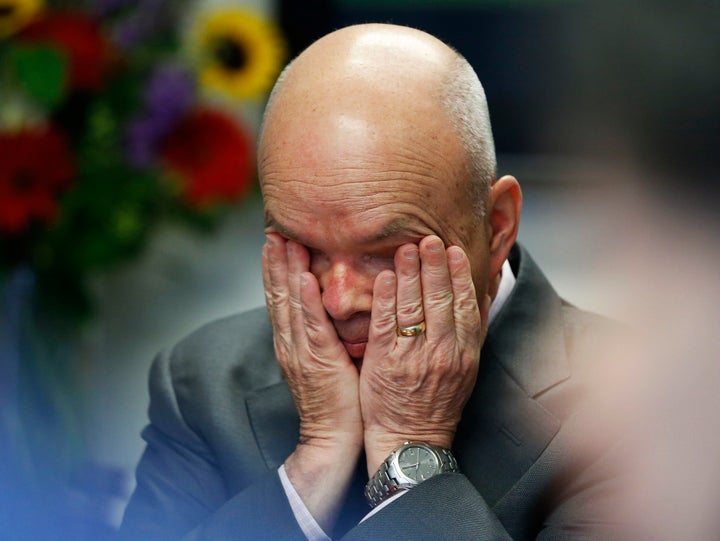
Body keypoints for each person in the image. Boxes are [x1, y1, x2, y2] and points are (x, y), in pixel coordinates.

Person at [118, 23, 616, 540]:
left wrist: (410, 446)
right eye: (304, 250)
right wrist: (315, 458)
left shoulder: (641, 409)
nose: (338, 300)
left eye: (383, 255)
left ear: (495, 229)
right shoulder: (204, 381)